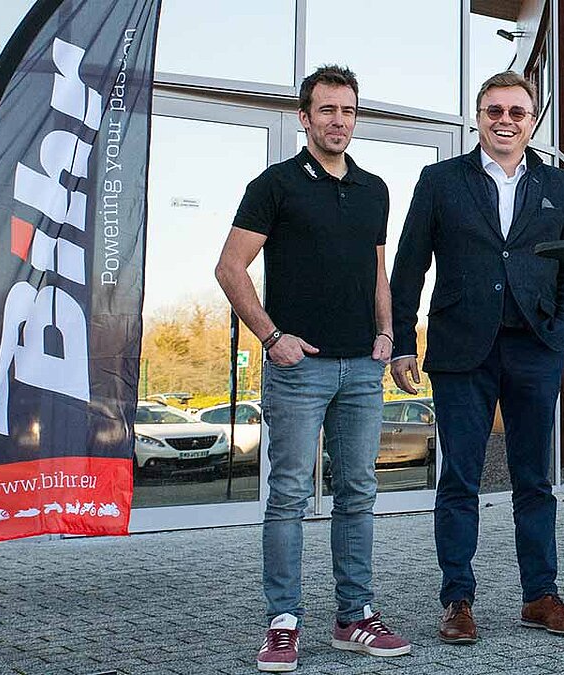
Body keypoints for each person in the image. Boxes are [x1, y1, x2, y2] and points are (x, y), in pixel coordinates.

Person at [215, 64, 411, 672]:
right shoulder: (275, 185)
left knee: (358, 492)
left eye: (348, 111)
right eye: (327, 111)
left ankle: (354, 618)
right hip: (300, 368)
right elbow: (229, 267)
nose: (339, 122)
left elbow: (377, 269)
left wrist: (388, 332)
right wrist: (273, 337)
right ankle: (283, 623)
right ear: (305, 118)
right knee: (291, 495)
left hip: (361, 368)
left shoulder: (375, 188)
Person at [389, 71, 564, 645]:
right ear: (479, 117)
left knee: (534, 479)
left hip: (535, 346)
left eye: (517, 112)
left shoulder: (559, 186)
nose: (505, 120)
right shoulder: (440, 180)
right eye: (494, 110)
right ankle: (457, 599)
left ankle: (540, 595)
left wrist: (563, 331)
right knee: (459, 479)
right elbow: (408, 266)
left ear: (532, 120)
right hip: (460, 350)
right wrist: (403, 340)